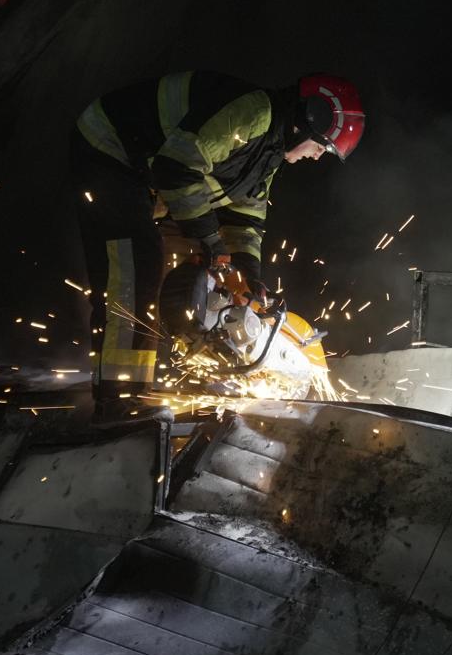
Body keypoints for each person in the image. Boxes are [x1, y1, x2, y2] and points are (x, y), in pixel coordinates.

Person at [70, 71, 365, 428]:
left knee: (172, 270)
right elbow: (176, 169)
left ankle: (137, 387)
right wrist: (211, 241)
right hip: (110, 149)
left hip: (143, 176)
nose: (317, 157)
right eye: (321, 146)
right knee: (137, 269)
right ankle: (118, 403)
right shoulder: (254, 113)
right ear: (310, 120)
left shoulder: (268, 154)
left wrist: (249, 277)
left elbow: (245, 218)